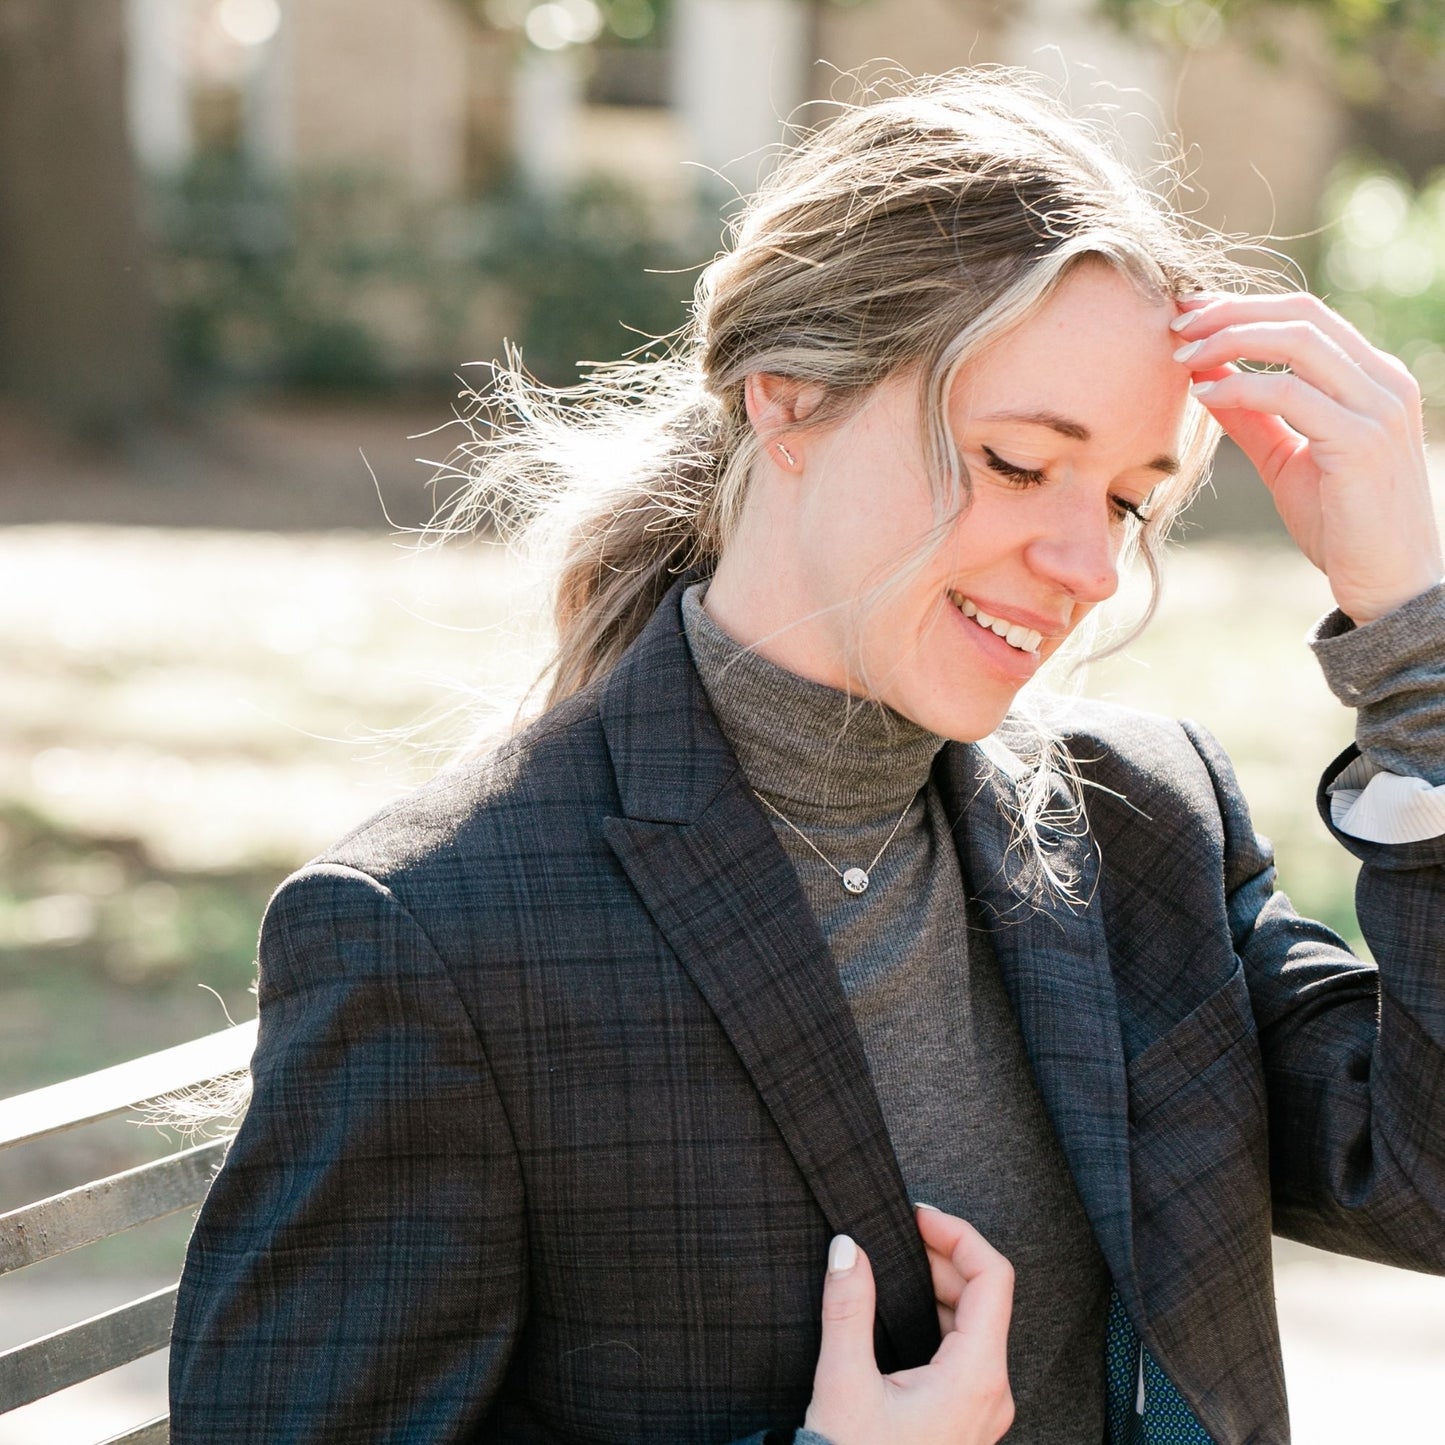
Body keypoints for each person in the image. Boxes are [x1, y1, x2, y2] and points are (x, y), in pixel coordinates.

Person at [169, 67, 1445, 1444]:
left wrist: (1417, 653)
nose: (1086, 563)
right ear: (783, 399)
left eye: (1130, 498)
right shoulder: (435, 932)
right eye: (1016, 462)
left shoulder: (1142, 815)